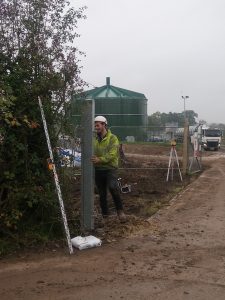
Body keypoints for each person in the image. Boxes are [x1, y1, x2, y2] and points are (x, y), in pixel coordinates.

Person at [91, 116, 126, 222]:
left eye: (98, 124)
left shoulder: (113, 138)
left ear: (104, 125)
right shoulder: (93, 139)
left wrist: (99, 159)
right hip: (98, 169)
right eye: (95, 124)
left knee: (113, 187)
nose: (96, 126)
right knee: (101, 194)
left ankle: (120, 212)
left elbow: (112, 154)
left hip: (110, 168)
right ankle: (105, 215)